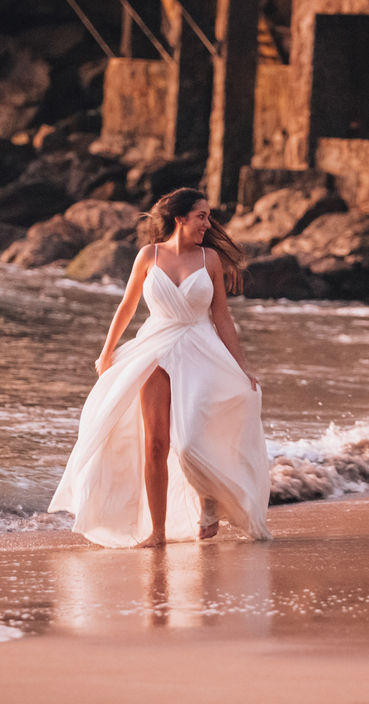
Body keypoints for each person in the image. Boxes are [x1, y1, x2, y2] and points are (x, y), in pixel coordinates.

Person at [48, 188, 273, 547]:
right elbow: (127, 307)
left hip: (201, 351)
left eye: (208, 216)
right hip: (155, 348)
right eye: (202, 216)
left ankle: (210, 502)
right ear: (180, 218)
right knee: (155, 444)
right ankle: (158, 531)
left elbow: (222, 318)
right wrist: (106, 353)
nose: (208, 223)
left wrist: (240, 367)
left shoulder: (209, 259)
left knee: (192, 443)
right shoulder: (148, 255)